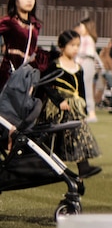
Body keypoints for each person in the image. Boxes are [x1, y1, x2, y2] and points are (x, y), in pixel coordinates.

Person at [38, 29, 103, 179]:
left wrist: (84, 109)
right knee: (56, 136)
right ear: (62, 46)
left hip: (75, 107)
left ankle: (83, 167)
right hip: (57, 106)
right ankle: (49, 166)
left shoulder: (78, 68)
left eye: (78, 45)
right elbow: (45, 85)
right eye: (72, 45)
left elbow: (81, 90)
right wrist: (58, 100)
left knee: (79, 133)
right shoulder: (55, 66)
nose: (75, 49)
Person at [0, 0, 47, 94]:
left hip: (28, 74)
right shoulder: (9, 21)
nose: (29, 0)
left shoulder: (35, 25)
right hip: (10, 72)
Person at [74, 17, 102, 122]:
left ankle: (91, 113)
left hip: (86, 64)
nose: (80, 28)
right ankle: (87, 112)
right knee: (84, 88)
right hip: (86, 64)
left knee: (86, 89)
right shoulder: (86, 38)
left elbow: (86, 53)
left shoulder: (87, 39)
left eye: (82, 26)